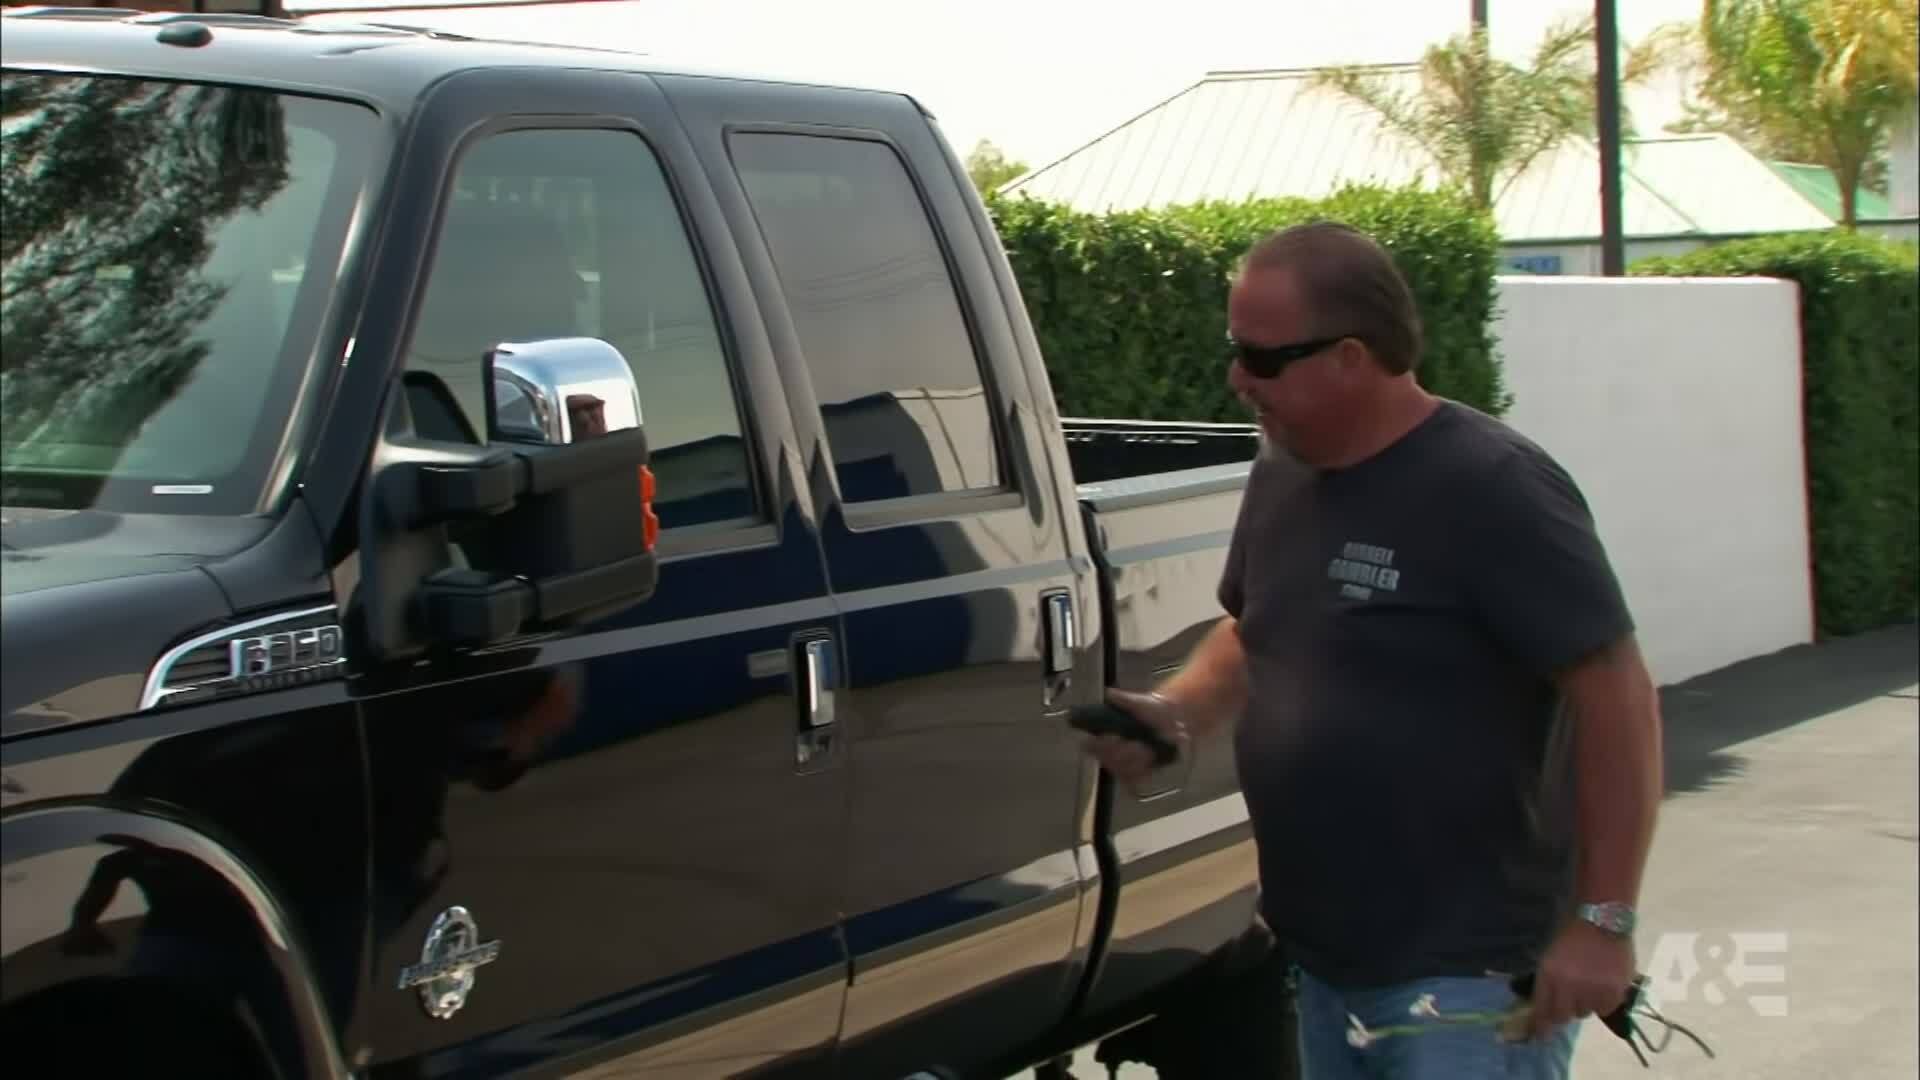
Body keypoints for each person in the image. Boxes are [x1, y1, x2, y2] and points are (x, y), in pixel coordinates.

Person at [1083, 221, 1664, 1079]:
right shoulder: (1283, 471)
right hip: (1326, 966)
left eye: (1262, 357)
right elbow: (1257, 629)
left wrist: (1604, 922)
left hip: (1467, 980)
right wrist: (1177, 712)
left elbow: (1616, 695)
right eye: (1235, 350)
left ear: (1351, 357)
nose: (1238, 378)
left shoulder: (1492, 487)